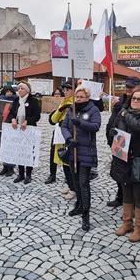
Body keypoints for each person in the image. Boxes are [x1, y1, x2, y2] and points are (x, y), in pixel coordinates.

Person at [109, 89, 140, 242]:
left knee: (139, 195)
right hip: (123, 157)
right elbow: (112, 128)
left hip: (139, 159)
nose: (135, 101)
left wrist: (125, 114)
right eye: (133, 98)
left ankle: (139, 228)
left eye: (139, 99)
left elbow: (139, 127)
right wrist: (114, 136)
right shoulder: (123, 112)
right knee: (126, 192)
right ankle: (127, 223)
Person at [61, 86, 101, 231]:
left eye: (81, 97)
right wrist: (69, 138)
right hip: (73, 150)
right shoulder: (71, 109)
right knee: (74, 179)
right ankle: (78, 204)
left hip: (86, 151)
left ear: (87, 98)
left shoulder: (93, 110)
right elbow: (64, 126)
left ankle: (86, 212)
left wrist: (80, 123)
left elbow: (96, 126)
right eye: (77, 96)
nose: (78, 99)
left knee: (83, 182)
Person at [106, 76, 140, 207]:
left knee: (127, 174)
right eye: (127, 86)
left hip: (129, 142)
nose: (128, 89)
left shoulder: (139, 101)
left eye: (131, 87)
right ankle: (121, 196)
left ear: (138, 87)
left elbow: (133, 118)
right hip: (117, 139)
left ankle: (130, 202)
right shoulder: (121, 99)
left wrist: (120, 107)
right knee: (118, 172)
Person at [6, 81, 41, 184]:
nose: (20, 90)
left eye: (22, 88)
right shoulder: (16, 100)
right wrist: (12, 119)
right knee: (19, 152)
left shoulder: (33, 101)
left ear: (27, 90)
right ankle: (21, 174)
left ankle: (28, 174)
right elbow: (12, 113)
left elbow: (37, 116)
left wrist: (27, 121)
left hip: (29, 129)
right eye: (19, 88)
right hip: (18, 130)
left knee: (29, 152)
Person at [47, 81, 75, 198]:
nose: (65, 91)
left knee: (70, 163)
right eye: (64, 89)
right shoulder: (63, 101)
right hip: (60, 134)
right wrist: (60, 110)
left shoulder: (75, 102)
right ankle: (69, 185)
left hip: (70, 135)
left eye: (68, 89)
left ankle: (74, 189)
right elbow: (53, 119)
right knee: (63, 160)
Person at [45, 86, 66, 185]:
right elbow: (51, 121)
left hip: (67, 132)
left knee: (67, 153)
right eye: (55, 94)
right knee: (53, 152)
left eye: (59, 94)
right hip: (57, 132)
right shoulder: (54, 106)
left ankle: (68, 176)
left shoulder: (67, 103)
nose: (57, 96)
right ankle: (52, 174)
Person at [0, 85, 17, 177]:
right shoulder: (0, 101)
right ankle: (5, 166)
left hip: (11, 127)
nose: (9, 93)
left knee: (11, 148)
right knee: (2, 148)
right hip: (1, 127)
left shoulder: (16, 101)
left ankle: (11, 168)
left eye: (11, 91)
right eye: (7, 91)